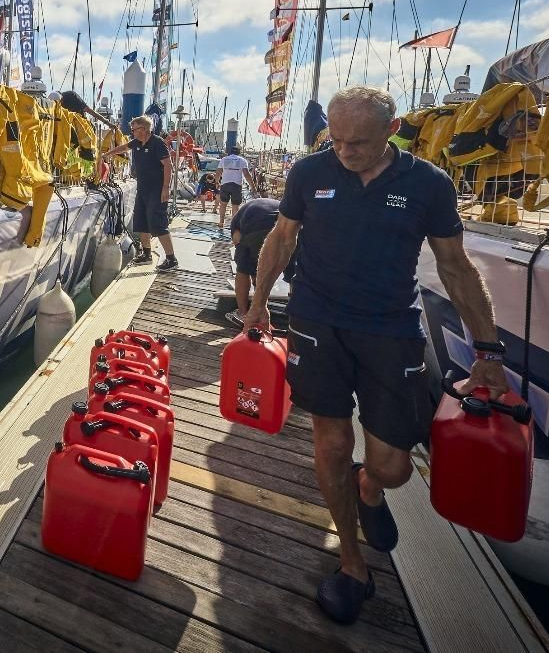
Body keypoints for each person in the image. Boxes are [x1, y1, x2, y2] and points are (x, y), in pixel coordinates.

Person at [244, 86, 507, 626]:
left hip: (390, 330)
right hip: (317, 322)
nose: (345, 151)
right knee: (332, 442)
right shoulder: (309, 173)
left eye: (358, 142)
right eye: (337, 140)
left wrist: (488, 350)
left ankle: (369, 489)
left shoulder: (427, 184)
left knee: (392, 468)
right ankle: (351, 562)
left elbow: (456, 268)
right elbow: (282, 238)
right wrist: (256, 304)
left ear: (391, 132)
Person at [102, 116, 178, 270]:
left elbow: (168, 166)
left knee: (158, 224)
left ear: (143, 129)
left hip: (156, 190)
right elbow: (124, 147)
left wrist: (165, 188)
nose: (132, 132)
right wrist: (107, 154)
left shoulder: (158, 143)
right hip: (142, 188)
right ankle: (146, 254)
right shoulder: (137, 142)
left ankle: (171, 259)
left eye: (134, 129)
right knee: (142, 222)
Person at [226, 195, 279, 326]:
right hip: (283, 223)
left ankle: (244, 314)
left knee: (243, 269)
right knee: (281, 271)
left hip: (255, 225)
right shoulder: (275, 203)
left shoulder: (235, 223)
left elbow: (237, 239)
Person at [216, 145, 250, 230]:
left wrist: (216, 182)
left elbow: (218, 172)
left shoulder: (223, 160)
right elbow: (246, 174)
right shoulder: (243, 160)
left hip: (225, 184)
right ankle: (233, 225)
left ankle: (221, 223)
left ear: (230, 152)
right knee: (235, 205)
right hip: (236, 185)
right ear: (239, 153)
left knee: (223, 204)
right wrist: (252, 187)